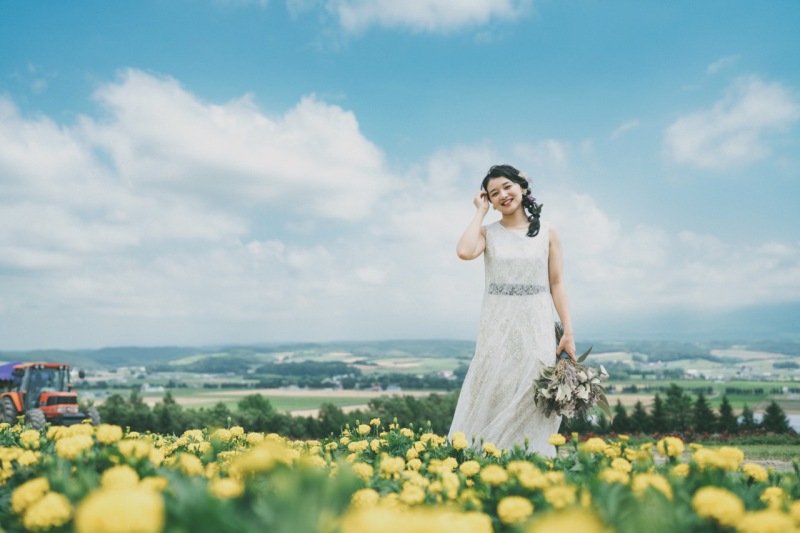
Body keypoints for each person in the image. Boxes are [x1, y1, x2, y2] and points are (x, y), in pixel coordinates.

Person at [448, 164, 576, 456]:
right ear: (489, 201)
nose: (503, 195)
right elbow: (464, 252)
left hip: (536, 327)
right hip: (497, 327)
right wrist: (479, 212)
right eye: (494, 194)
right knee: (493, 390)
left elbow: (557, 283)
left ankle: (533, 462)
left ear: (522, 187)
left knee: (532, 396)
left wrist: (568, 330)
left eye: (507, 187)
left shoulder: (548, 231)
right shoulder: (487, 233)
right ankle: (483, 459)